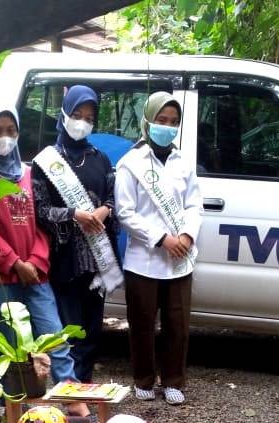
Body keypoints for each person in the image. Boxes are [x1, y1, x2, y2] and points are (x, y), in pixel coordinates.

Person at [0, 106, 81, 395]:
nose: (5, 137)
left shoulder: (27, 173)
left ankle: (74, 400)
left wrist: (35, 262)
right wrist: (15, 263)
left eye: (11, 130)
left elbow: (41, 223)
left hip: (35, 275)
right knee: (8, 352)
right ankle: (14, 413)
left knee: (55, 338)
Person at [115, 92, 203, 406]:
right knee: (141, 323)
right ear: (148, 121)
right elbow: (125, 212)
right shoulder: (131, 163)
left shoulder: (183, 163)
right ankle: (143, 379)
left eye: (173, 122)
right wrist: (162, 238)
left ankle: (174, 381)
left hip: (179, 259)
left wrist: (187, 237)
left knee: (177, 324)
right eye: (161, 120)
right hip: (144, 259)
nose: (167, 127)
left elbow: (194, 205)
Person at [31, 85, 121, 383]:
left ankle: (85, 388)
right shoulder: (45, 163)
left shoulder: (100, 158)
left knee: (93, 332)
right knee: (69, 332)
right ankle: (70, 394)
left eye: (89, 116)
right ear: (64, 114)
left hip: (96, 262)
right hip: (65, 261)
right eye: (77, 114)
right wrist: (73, 215)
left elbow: (114, 199)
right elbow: (40, 211)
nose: (82, 122)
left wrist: (105, 211)